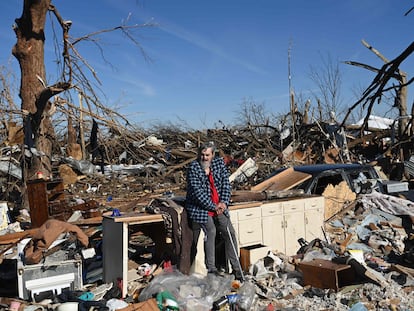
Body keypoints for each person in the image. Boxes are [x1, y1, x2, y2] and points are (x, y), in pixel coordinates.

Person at [185, 141, 243, 280]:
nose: (204, 158)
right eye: (202, 155)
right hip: (201, 208)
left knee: (229, 231)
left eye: (207, 155)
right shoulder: (194, 167)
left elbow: (225, 184)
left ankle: (237, 268)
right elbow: (198, 193)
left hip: (219, 205)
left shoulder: (218, 164)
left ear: (213, 154)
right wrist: (213, 206)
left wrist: (223, 202)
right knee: (211, 231)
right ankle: (211, 268)